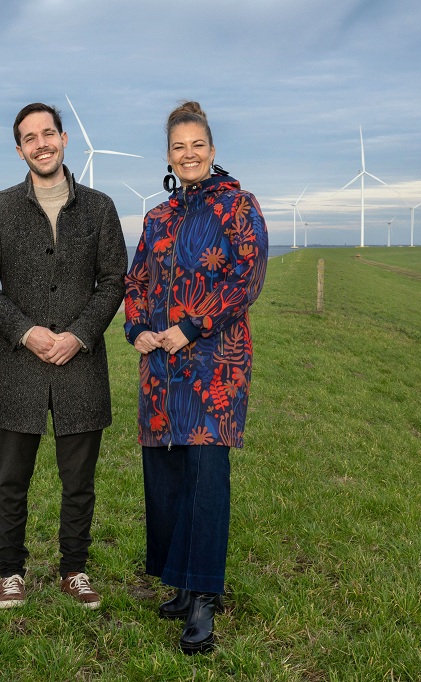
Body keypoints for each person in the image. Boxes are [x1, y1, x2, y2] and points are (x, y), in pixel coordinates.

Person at [0, 102, 128, 611]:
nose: (41, 144)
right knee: (12, 480)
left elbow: (113, 282)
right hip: (19, 366)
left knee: (78, 482)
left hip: (82, 364)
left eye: (48, 133)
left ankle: (74, 569)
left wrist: (79, 334)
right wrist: (25, 331)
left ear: (64, 138)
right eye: (30, 137)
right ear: (20, 149)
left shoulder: (100, 208)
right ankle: (11, 571)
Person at [123, 101, 268, 654]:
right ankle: (181, 583)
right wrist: (136, 326)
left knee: (205, 477)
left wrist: (192, 325)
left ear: (212, 150)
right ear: (168, 155)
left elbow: (246, 277)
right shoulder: (156, 217)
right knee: (167, 476)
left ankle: (205, 596)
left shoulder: (238, 206)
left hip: (215, 366)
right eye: (178, 147)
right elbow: (137, 280)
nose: (188, 154)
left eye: (197, 145)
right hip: (160, 368)